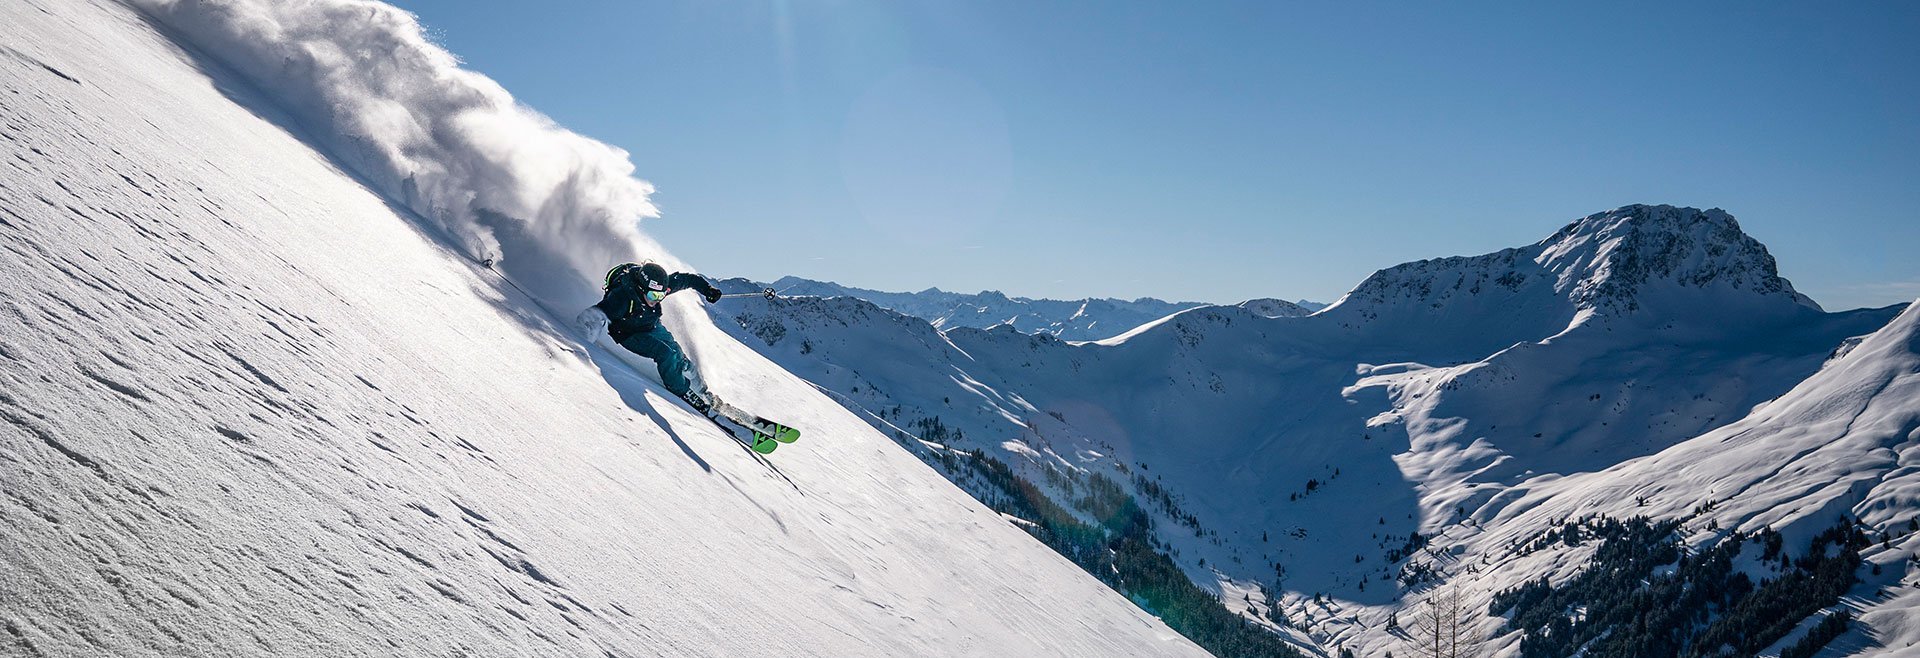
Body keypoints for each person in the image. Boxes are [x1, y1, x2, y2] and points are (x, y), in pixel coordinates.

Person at [594, 261, 725, 412]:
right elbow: (596, 314)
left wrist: (707, 289)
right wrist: (584, 335)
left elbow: (687, 280)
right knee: (665, 353)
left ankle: (702, 392)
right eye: (653, 295)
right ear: (641, 288)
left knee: (679, 356)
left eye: (661, 295)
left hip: (651, 325)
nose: (656, 299)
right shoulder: (622, 297)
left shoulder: (658, 286)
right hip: (628, 333)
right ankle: (682, 391)